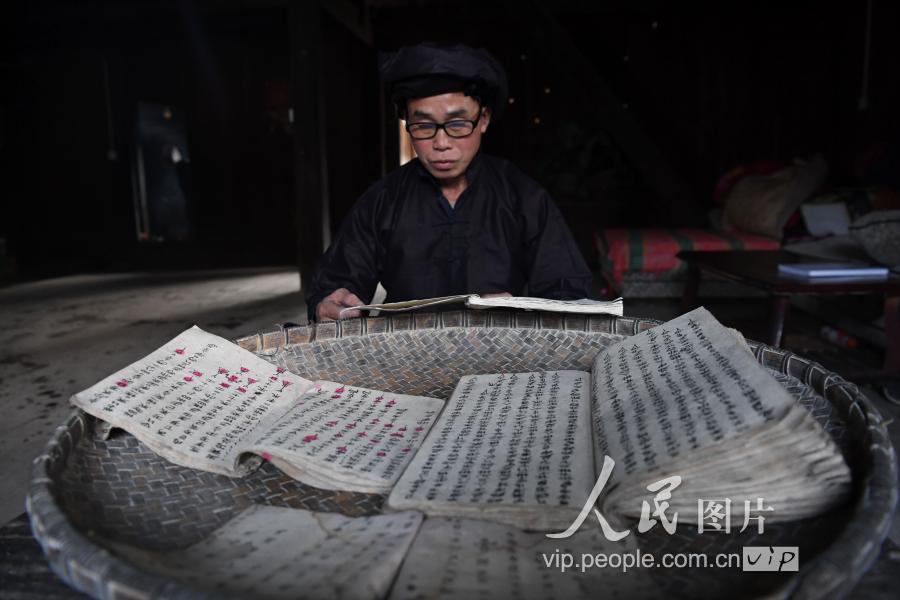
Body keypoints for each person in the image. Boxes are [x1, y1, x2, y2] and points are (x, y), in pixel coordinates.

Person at [306, 42, 592, 322]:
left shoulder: (524, 197)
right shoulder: (382, 200)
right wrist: (328, 304)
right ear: (407, 123)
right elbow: (337, 286)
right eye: (423, 125)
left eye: (457, 124)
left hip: (504, 355)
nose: (441, 143)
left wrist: (523, 311)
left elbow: (567, 291)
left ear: (483, 119)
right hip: (406, 354)